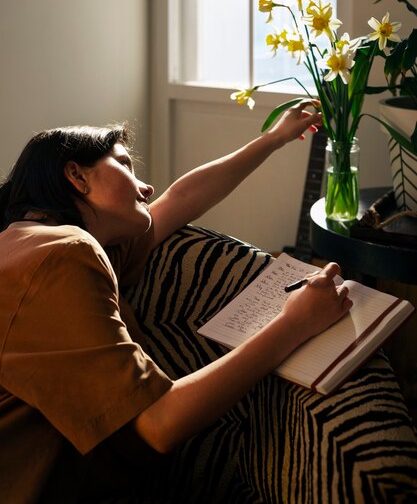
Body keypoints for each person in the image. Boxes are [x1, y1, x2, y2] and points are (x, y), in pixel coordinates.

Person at [0, 101, 352, 503]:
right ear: (77, 176)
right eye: (126, 166)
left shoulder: (42, 242)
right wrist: (295, 323)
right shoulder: (63, 251)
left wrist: (273, 139)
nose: (145, 187)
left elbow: (181, 198)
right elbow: (159, 424)